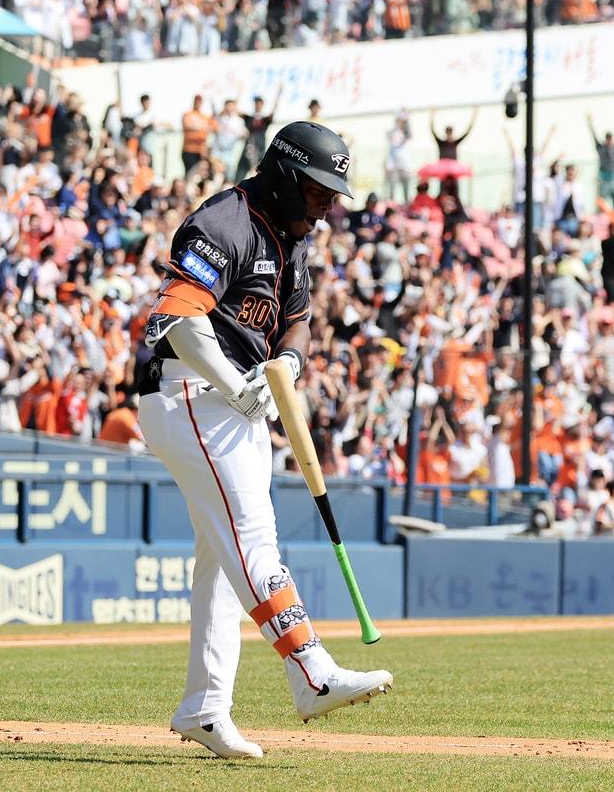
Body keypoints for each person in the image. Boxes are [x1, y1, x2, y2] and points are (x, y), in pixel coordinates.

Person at [137, 121, 393, 759]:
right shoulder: (223, 222)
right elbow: (176, 317)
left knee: (224, 562)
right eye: (318, 191)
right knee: (253, 541)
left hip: (238, 401)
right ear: (284, 175)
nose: (328, 206)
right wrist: (233, 382)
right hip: (189, 392)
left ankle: (204, 707)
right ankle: (311, 674)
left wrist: (290, 365)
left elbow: (297, 320)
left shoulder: (292, 236)